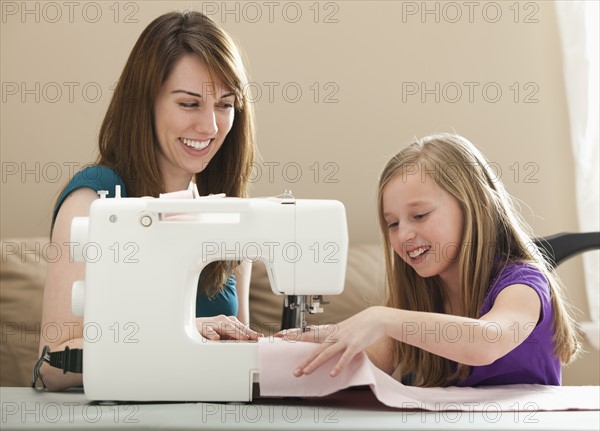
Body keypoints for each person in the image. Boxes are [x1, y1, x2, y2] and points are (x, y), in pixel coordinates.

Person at [38, 10, 261, 391]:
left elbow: (239, 355)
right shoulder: (93, 201)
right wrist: (184, 335)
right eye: (189, 104)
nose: (210, 126)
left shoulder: (227, 212)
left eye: (225, 104)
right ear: (145, 103)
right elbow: (53, 363)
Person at [284, 133, 581, 387]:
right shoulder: (420, 301)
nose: (403, 235)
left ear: (475, 205)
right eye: (392, 224)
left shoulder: (522, 284)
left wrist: (381, 318)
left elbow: (487, 341)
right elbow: (363, 366)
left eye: (420, 215)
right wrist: (297, 347)